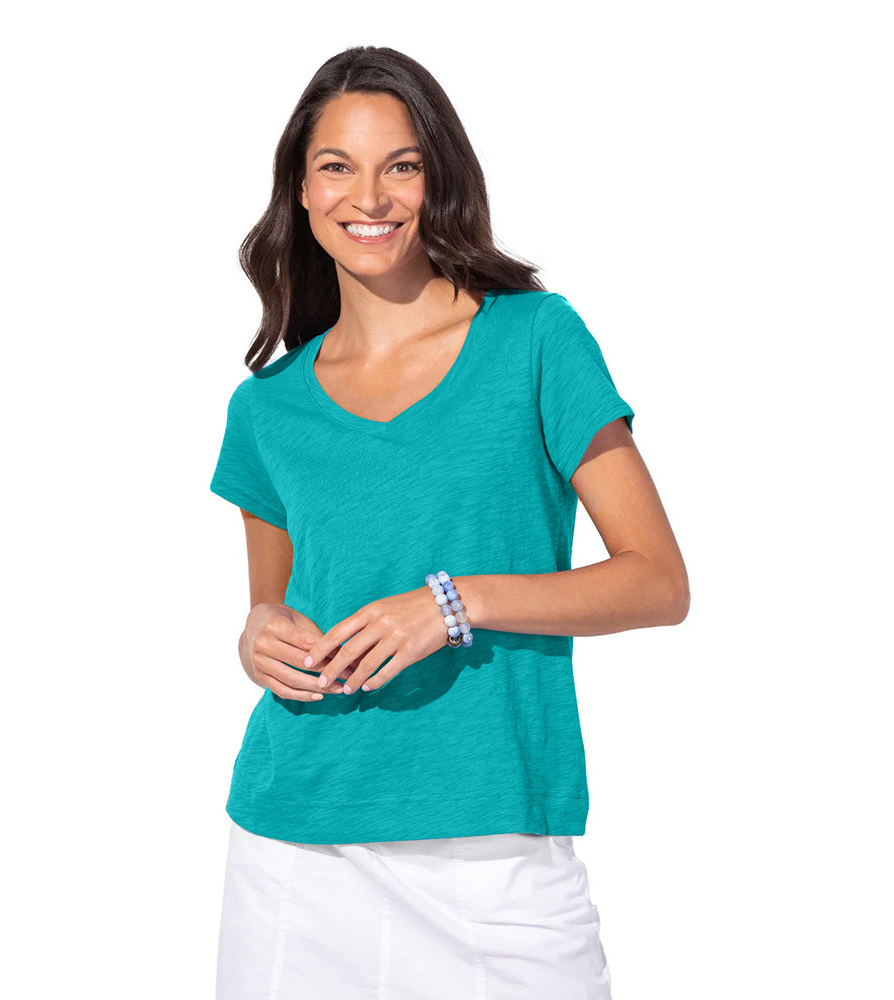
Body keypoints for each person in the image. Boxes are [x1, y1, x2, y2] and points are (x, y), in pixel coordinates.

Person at [209, 45, 688, 1000]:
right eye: (337, 166)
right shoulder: (266, 407)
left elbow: (658, 581)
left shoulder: (536, 338)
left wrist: (451, 603)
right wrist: (258, 635)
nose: (369, 196)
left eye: (402, 165)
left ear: (440, 179)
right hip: (298, 849)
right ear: (300, 190)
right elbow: (273, 610)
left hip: (495, 857)